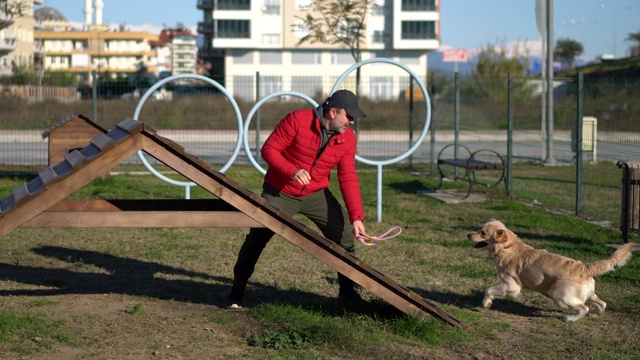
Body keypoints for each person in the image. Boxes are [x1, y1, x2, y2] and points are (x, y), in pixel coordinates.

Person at [226, 89, 367, 309]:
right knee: (258, 237)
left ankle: (348, 294)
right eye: (349, 116)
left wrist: (357, 217)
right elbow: (269, 149)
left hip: (316, 194)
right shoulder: (297, 120)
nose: (352, 121)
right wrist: (291, 171)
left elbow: (347, 176)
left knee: (344, 238)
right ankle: (237, 292)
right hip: (280, 191)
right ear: (332, 112)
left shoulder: (347, 138)